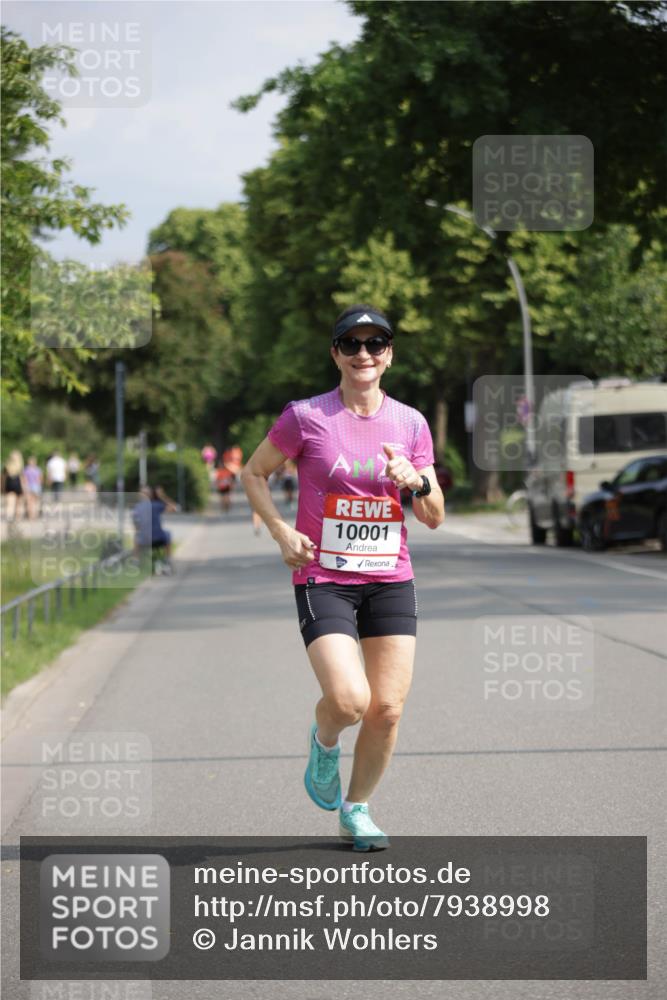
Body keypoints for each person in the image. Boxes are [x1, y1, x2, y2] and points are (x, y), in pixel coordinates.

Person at [242, 304, 444, 851]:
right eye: (351, 344)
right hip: (322, 575)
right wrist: (281, 531)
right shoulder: (306, 416)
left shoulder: (410, 424)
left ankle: (356, 810)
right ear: (335, 354)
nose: (363, 354)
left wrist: (417, 483)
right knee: (351, 699)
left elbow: (434, 515)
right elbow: (254, 473)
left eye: (375, 344)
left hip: (390, 577)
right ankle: (325, 738)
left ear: (389, 356)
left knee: (387, 708)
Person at [132, 485, 177, 573]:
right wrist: (162, 496)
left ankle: (136, 560)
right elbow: (174, 508)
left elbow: (136, 525)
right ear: (151, 495)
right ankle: (168, 560)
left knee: (136, 535)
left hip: (143, 541)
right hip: (158, 539)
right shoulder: (156, 505)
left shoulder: (137, 508)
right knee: (168, 534)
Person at [2, 450, 27, 521]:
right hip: (17, 484)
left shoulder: (7, 466)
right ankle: (17, 518)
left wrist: (3, 488)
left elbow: (3, 478)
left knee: (10, 503)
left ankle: (9, 517)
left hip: (9, 484)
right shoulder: (20, 466)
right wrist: (24, 488)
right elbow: (22, 479)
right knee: (18, 503)